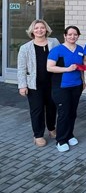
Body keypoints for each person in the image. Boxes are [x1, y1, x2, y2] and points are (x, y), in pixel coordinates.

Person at [17, 19, 60, 147]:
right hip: (34, 85)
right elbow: (21, 68)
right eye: (36, 28)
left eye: (42, 27)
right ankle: (38, 135)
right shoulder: (25, 48)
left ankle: (52, 129)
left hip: (52, 83)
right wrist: (22, 85)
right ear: (32, 31)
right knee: (37, 110)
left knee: (52, 108)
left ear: (46, 29)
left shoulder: (54, 42)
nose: (39, 30)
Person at [47, 26, 85, 152]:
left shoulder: (80, 49)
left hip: (76, 85)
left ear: (78, 36)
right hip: (62, 87)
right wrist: (67, 69)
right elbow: (50, 67)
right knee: (64, 113)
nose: (72, 37)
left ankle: (69, 135)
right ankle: (61, 140)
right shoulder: (57, 50)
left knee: (72, 112)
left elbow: (81, 67)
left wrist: (83, 81)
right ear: (65, 35)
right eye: (70, 34)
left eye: (75, 34)